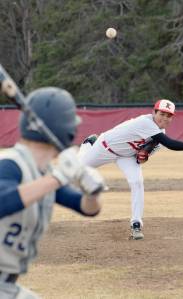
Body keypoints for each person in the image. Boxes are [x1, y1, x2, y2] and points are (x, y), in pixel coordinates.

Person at [0, 87, 105, 299]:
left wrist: (92, 192)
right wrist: (58, 177)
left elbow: (86, 209)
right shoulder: (10, 165)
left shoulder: (43, 174)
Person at [78, 99, 183, 240]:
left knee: (137, 182)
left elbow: (141, 159)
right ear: (154, 112)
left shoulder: (159, 135)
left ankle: (136, 224)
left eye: (168, 115)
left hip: (126, 156)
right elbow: (171, 144)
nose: (164, 118)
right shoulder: (146, 122)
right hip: (104, 147)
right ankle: (89, 142)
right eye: (162, 113)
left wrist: (143, 156)